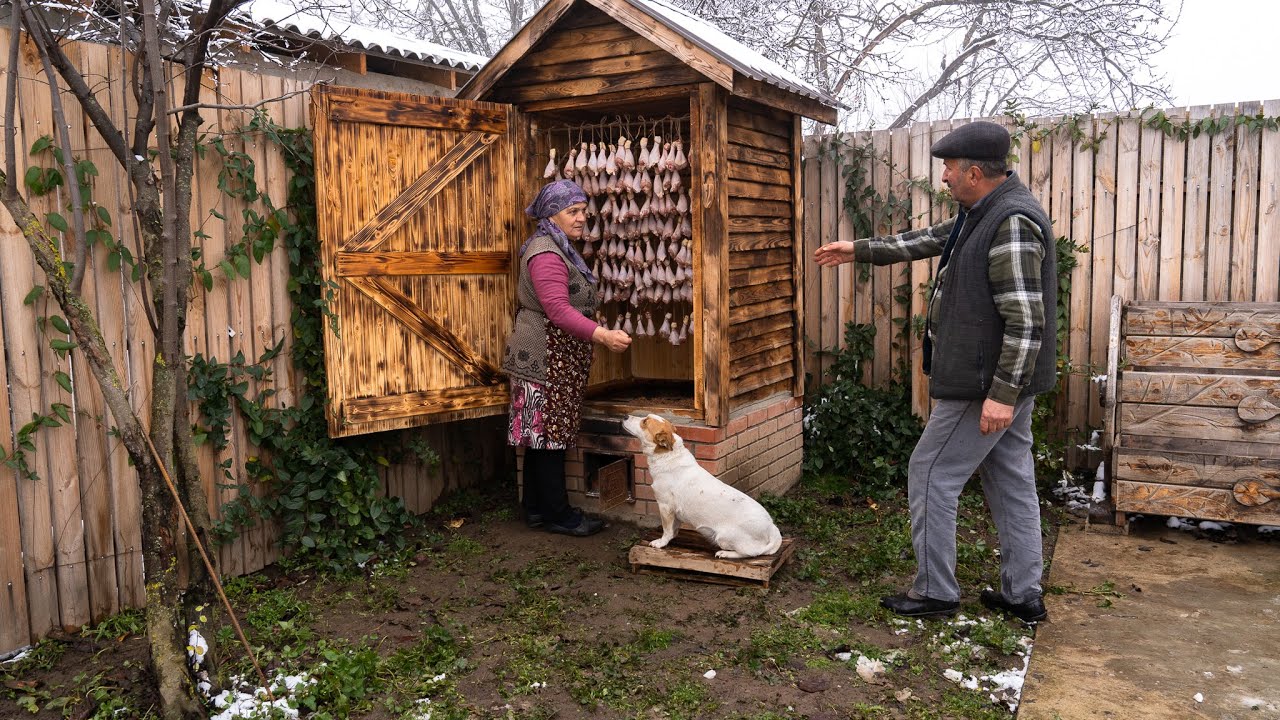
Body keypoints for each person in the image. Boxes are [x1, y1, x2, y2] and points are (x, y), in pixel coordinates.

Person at [813, 121, 1056, 624]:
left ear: (973, 173)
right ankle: (1022, 595)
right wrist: (858, 249)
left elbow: (1026, 321)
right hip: (995, 382)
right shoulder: (980, 214)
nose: (943, 177)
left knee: (930, 473)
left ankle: (936, 591)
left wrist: (1001, 395)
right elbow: (924, 239)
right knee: (1011, 480)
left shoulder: (1010, 222)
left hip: (983, 385)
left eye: (948, 168)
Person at [502, 179, 632, 537]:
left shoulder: (558, 247)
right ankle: (560, 516)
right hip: (545, 356)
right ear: (551, 215)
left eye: (583, 211)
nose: (581, 218)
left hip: (554, 355)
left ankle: (535, 509)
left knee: (541, 435)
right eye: (572, 211)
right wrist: (602, 335)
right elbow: (558, 311)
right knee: (550, 435)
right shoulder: (546, 253)